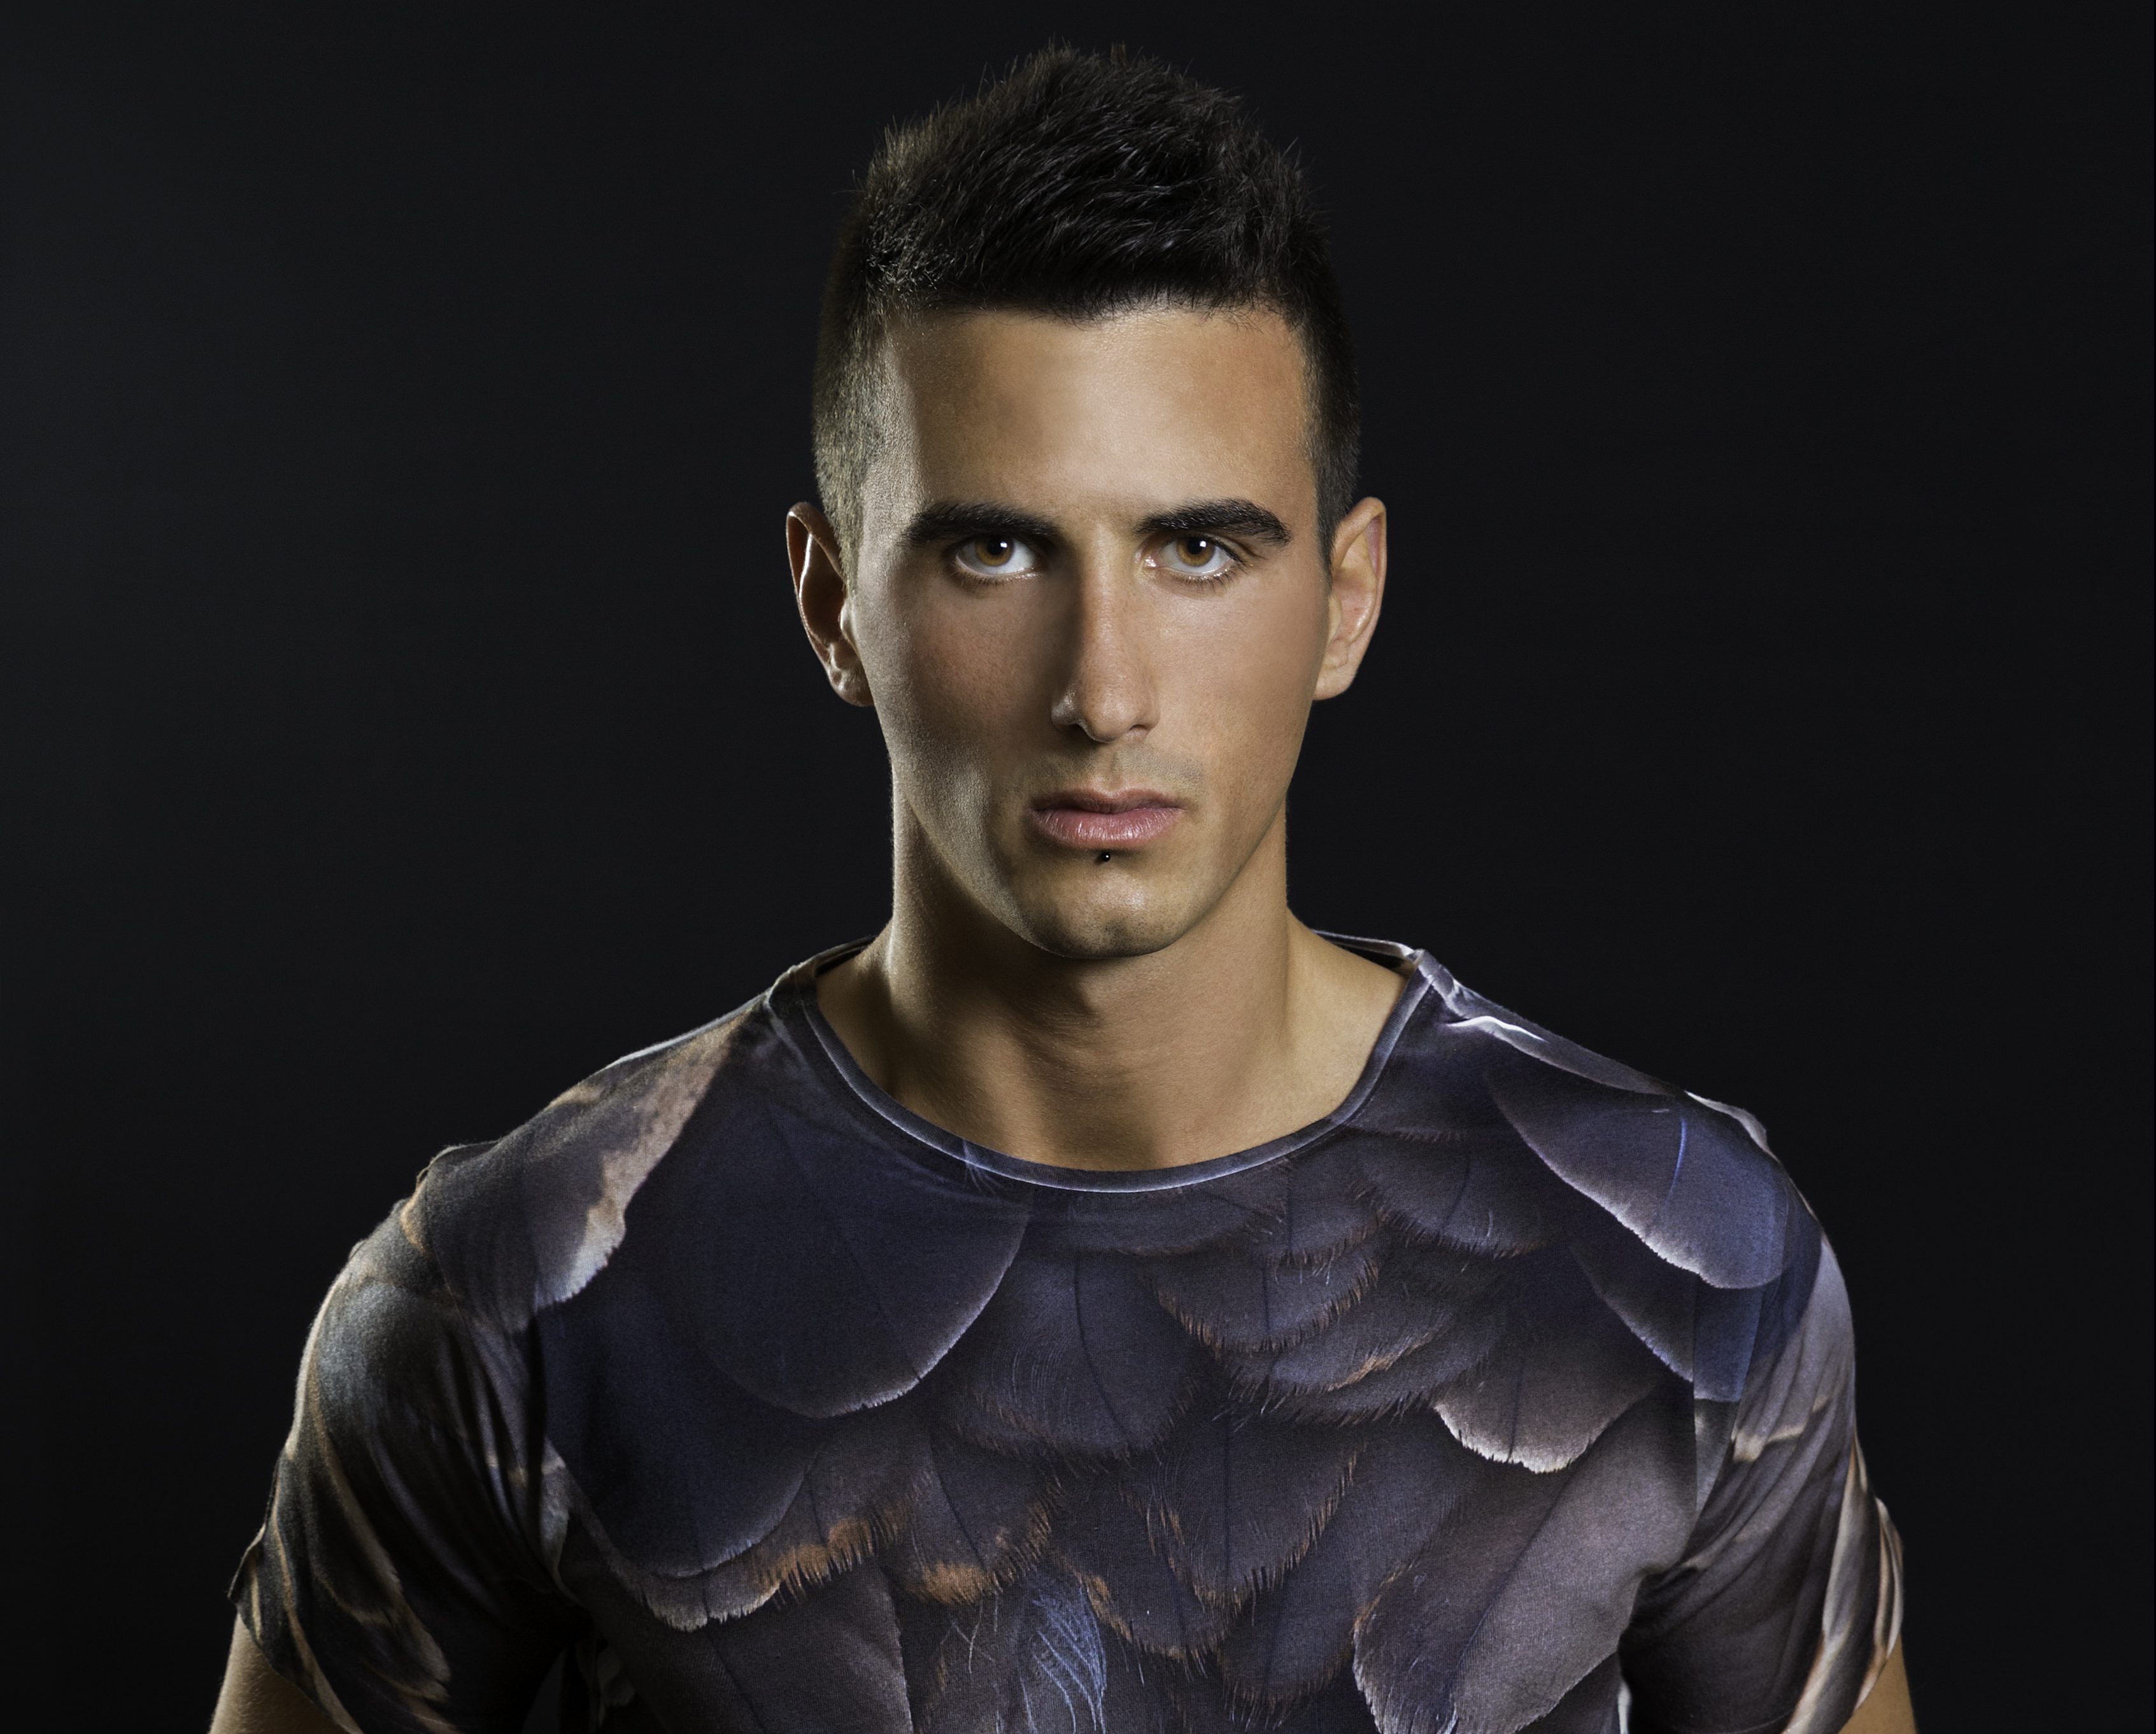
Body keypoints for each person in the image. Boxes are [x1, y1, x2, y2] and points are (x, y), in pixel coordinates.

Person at [211, 47, 1915, 1734]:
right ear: (830, 603)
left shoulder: (1692, 1263)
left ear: (1346, 596)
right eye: (995, 548)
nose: (1103, 689)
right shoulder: (512, 1296)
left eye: (1198, 547)